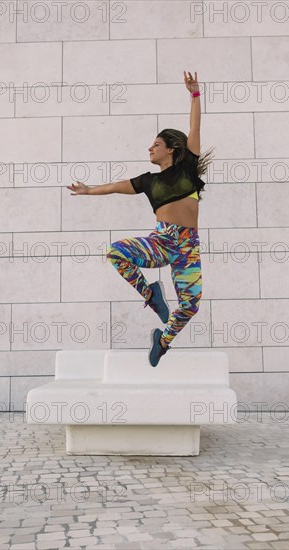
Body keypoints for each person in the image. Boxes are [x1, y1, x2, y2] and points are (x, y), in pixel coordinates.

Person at [67, 71, 215, 367]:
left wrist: (195, 94)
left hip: (187, 248)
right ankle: (151, 294)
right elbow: (114, 187)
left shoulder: (187, 168)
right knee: (115, 253)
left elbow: (195, 126)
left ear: (171, 149)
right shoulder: (148, 181)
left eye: (156, 145)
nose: (150, 148)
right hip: (162, 241)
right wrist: (88, 191)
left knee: (190, 306)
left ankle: (163, 341)